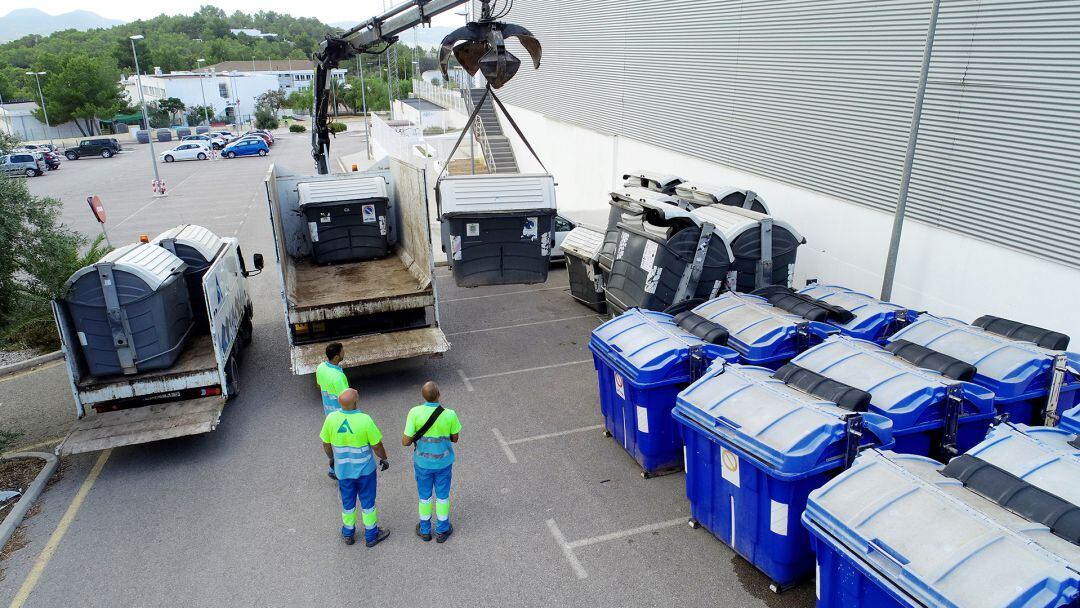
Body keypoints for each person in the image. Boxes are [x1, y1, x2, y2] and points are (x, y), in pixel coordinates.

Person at [321, 388, 391, 547]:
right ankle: (372, 534)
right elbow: (377, 445)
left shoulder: (331, 419)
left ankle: (348, 533)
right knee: (368, 502)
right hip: (365, 471)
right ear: (355, 402)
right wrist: (384, 458)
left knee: (347, 502)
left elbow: (326, 443)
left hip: (343, 472)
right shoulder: (364, 420)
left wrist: (332, 459)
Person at [402, 382, 461, 543]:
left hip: (422, 463)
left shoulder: (414, 412)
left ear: (423, 396)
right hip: (443, 462)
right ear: (439, 394)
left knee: (425, 496)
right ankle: (442, 530)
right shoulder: (449, 414)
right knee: (442, 496)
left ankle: (425, 529)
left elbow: (406, 441)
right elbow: (455, 439)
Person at [316, 343, 349, 479]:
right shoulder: (338, 377)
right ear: (336, 357)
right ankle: (336, 469)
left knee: (331, 441)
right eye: (342, 352)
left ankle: (333, 465)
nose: (344, 353)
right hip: (341, 415)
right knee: (343, 444)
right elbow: (347, 399)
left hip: (329, 413)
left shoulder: (321, 367)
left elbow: (319, 386)